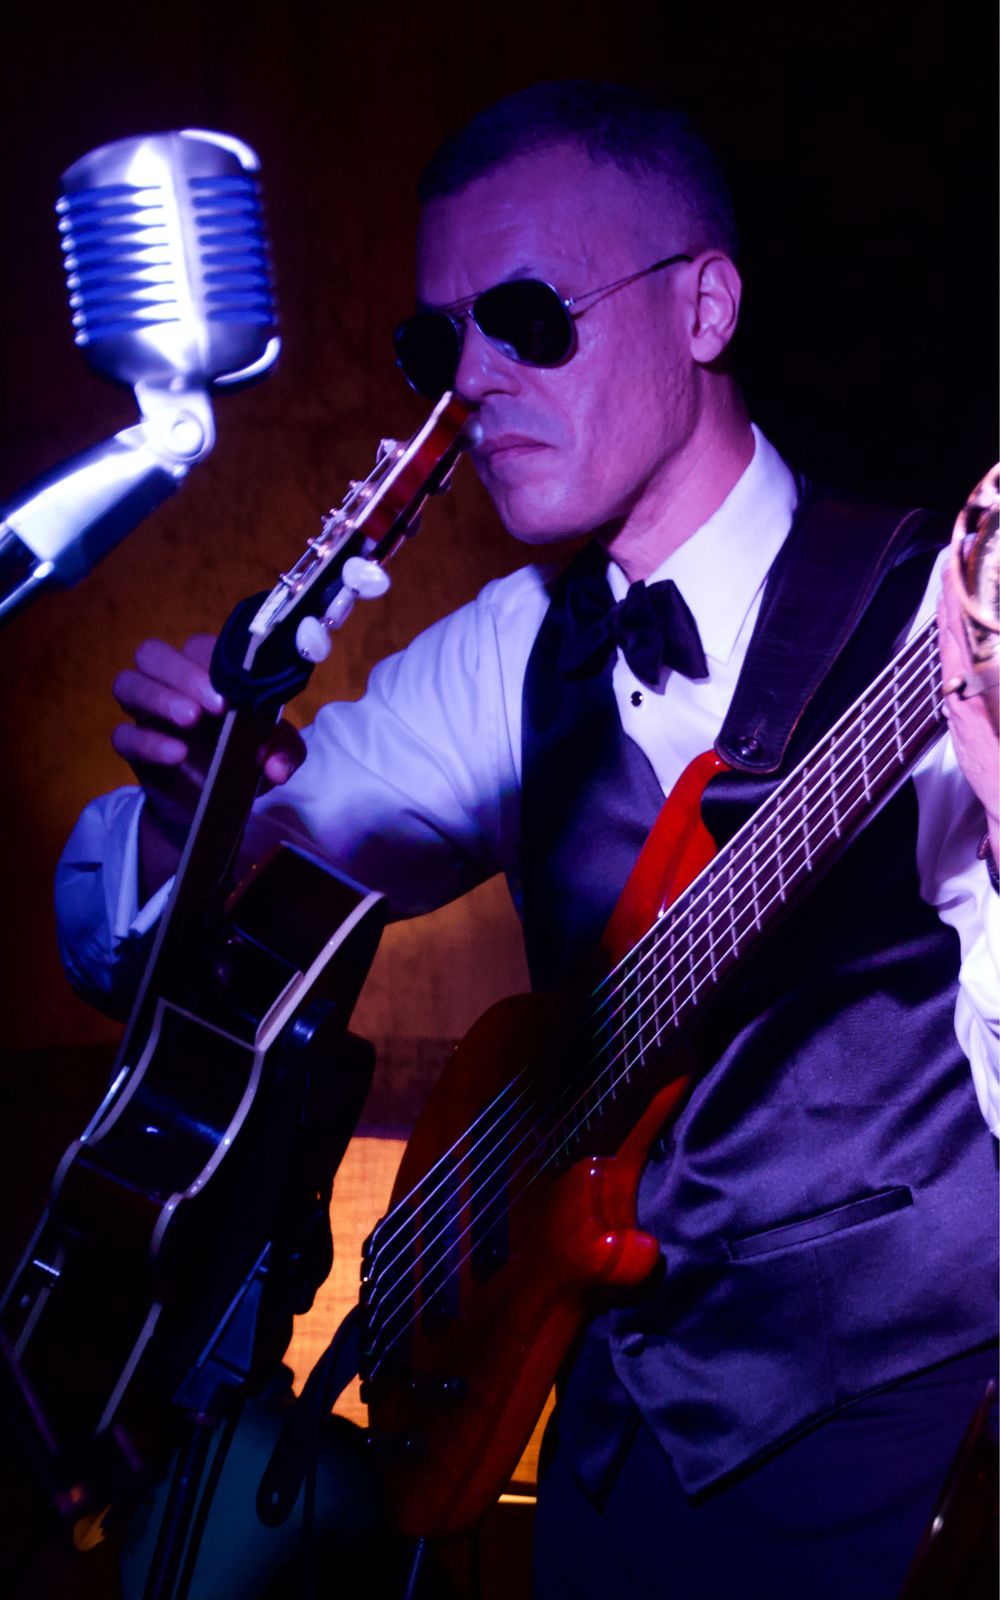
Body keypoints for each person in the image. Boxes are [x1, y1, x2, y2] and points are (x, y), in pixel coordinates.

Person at [54, 83, 998, 1598]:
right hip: (602, 1449)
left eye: (527, 319)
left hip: (905, 1445)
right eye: (438, 343)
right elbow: (147, 939)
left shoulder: (932, 631)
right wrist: (191, 815)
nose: (470, 388)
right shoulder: (510, 654)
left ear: (705, 307)